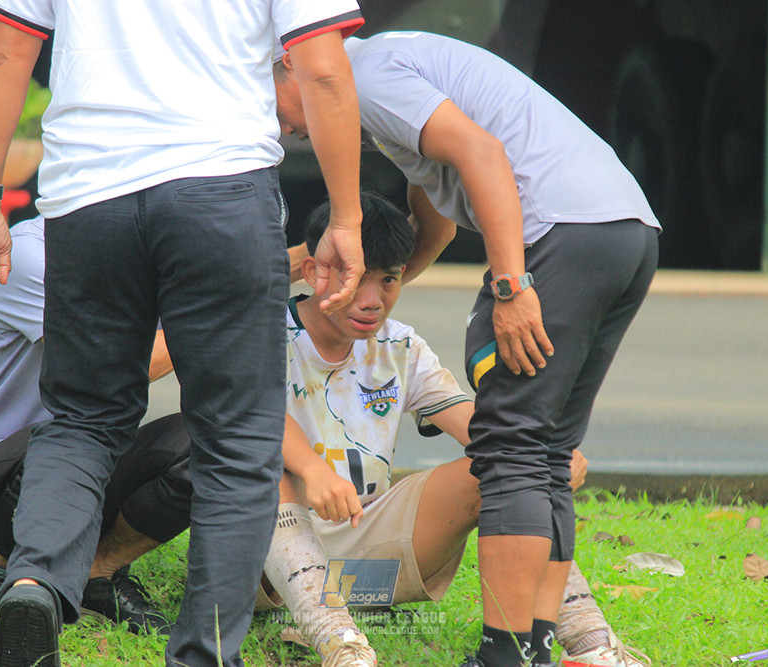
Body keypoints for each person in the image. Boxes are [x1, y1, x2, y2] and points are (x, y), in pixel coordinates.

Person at [0, 3, 367, 666]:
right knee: (236, 440)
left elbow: (7, 53)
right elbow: (321, 70)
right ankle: (203, 655)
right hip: (221, 192)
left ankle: (32, 582)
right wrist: (346, 214)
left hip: (88, 199)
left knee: (82, 418)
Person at [274, 32, 660, 667]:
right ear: (316, 271)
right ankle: (524, 650)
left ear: (293, 62)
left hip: (561, 232)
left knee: (513, 450)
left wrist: (511, 282)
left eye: (278, 109)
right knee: (534, 450)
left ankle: (519, 652)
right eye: (353, 274)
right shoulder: (269, 328)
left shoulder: (364, 78)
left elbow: (480, 153)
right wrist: (368, 286)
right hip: (624, 230)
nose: (288, 129)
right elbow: (436, 208)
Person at [0, 216, 192, 638]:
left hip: (87, 478)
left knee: (207, 444)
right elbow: (116, 372)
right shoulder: (27, 256)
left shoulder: (139, 256)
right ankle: (1, 573)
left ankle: (98, 572)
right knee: (64, 438)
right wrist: (215, 316)